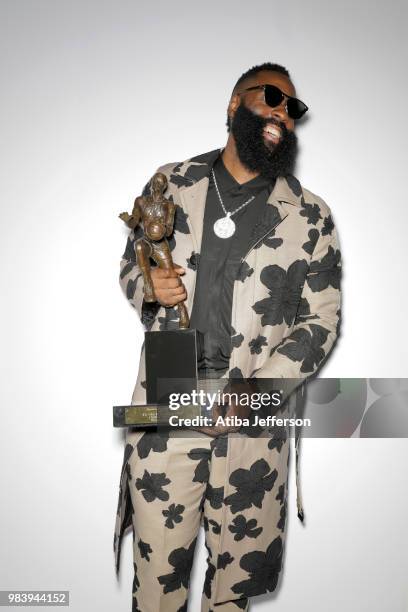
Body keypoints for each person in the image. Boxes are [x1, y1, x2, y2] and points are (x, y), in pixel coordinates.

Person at [114, 62, 342, 611]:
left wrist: (258, 392)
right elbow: (131, 265)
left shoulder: (310, 216)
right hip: (170, 405)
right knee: (157, 581)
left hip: (252, 419)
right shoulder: (173, 182)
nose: (282, 114)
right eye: (269, 98)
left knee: (232, 587)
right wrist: (150, 288)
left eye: (292, 108)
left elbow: (322, 321)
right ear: (233, 105)